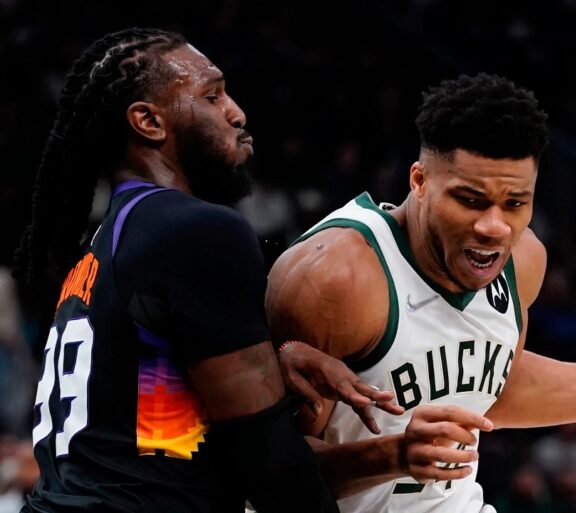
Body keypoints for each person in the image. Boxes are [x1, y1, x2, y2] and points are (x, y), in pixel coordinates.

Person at [265, 72, 576, 512]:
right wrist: (391, 455)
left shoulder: (523, 260)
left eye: (514, 203)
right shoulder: (335, 280)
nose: (494, 227)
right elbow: (264, 475)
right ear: (419, 181)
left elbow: (498, 390)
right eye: (470, 200)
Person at [14, 27, 393, 513]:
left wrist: (276, 360)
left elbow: (159, 423)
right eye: (212, 96)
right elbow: (267, 457)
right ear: (149, 122)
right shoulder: (196, 230)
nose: (237, 112)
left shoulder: (101, 248)